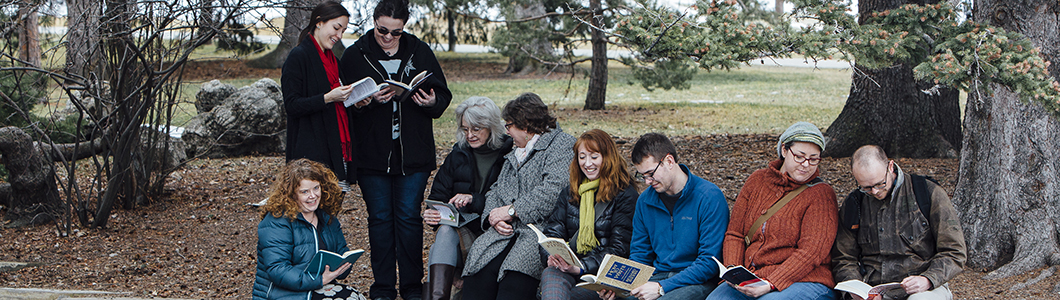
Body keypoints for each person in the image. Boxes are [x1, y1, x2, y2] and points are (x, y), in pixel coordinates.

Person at [339, 0, 453, 299]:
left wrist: (431, 103)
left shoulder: (419, 51)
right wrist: (363, 104)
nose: (388, 37)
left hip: (412, 156)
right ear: (374, 21)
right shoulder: (355, 55)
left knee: (408, 219)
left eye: (396, 32)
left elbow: (442, 94)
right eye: (382, 30)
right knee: (379, 221)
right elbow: (343, 105)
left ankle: (412, 288)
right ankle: (384, 288)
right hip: (372, 155)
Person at [460, 92, 576, 300]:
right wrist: (493, 218)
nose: (507, 131)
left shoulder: (561, 144)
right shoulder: (516, 151)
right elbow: (496, 189)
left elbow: (554, 190)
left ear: (527, 126)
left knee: (513, 283)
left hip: (539, 232)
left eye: (509, 125)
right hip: (504, 232)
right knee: (478, 276)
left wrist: (513, 211)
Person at [705, 121, 838, 300]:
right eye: (800, 156)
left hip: (803, 280)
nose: (806, 164)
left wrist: (771, 283)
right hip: (752, 276)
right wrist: (733, 271)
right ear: (784, 150)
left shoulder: (821, 194)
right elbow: (735, 234)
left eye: (813, 159)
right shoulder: (757, 181)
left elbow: (811, 253)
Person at [602, 132, 729, 300]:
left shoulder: (709, 197)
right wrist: (620, 286)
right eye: (642, 176)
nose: (647, 181)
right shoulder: (645, 201)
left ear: (669, 161)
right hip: (657, 276)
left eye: (650, 173)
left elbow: (709, 262)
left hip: (697, 281)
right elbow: (640, 254)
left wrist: (662, 287)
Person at [832, 145, 966, 300]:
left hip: (924, 288)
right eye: (866, 188)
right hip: (874, 290)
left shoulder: (927, 193)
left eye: (880, 184)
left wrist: (928, 279)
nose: (875, 192)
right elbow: (843, 258)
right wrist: (856, 290)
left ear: (890, 166)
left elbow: (954, 252)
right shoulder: (854, 204)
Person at [421, 97, 513, 300]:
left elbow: (509, 200)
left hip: (494, 233)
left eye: (476, 129)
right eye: (465, 129)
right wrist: (433, 214)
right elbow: (438, 195)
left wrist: (473, 199)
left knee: (441, 243)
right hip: (462, 231)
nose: (469, 135)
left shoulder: (509, 153)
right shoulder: (458, 153)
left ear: (491, 126)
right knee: (444, 231)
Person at [538, 129, 639, 300]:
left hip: (600, 276)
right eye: (582, 157)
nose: (587, 163)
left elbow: (619, 249)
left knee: (566, 295)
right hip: (568, 268)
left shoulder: (624, 195)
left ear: (607, 158)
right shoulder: (570, 192)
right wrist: (551, 256)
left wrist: (582, 267)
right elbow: (553, 232)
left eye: (594, 157)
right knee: (551, 274)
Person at [281, 1, 364, 192]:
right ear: (319, 22)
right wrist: (327, 98)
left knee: (330, 217)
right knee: (311, 214)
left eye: (343, 31)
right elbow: (292, 105)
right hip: (311, 155)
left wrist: (356, 101)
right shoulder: (298, 57)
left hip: (338, 150)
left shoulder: (334, 61)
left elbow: (340, 102)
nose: (339, 36)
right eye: (336, 28)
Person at [253, 159, 363, 300]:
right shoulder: (277, 221)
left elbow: (341, 251)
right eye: (305, 191)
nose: (313, 196)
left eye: (316, 188)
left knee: (356, 297)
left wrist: (343, 266)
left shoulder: (327, 217)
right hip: (281, 293)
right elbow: (277, 269)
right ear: (292, 194)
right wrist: (318, 281)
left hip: (316, 287)